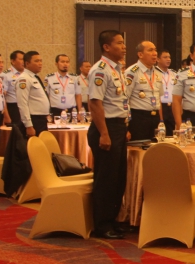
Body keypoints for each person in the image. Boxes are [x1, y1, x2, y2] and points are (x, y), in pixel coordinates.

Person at [87, 31, 130, 240]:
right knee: (106, 179)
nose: (124, 47)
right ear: (106, 47)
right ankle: (102, 224)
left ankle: (113, 220)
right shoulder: (100, 70)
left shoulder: (117, 69)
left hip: (118, 127)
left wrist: (124, 126)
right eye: (119, 43)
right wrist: (104, 133)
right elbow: (95, 103)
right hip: (106, 127)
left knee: (118, 178)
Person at [124, 41, 164, 141]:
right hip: (138, 118)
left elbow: (158, 99)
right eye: (150, 50)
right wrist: (125, 125)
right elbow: (124, 99)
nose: (155, 53)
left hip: (155, 118)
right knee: (138, 147)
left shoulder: (158, 72)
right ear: (140, 54)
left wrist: (161, 121)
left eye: (155, 50)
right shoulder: (132, 72)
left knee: (156, 148)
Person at [16, 51, 50, 137]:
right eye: (37, 61)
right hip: (33, 119)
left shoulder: (34, 77)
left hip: (41, 119)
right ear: (27, 63)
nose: (40, 63)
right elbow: (22, 103)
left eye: (41, 61)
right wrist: (29, 125)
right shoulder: (24, 79)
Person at [45, 54, 81, 119]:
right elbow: (46, 96)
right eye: (62, 62)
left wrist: (80, 112)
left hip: (71, 111)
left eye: (67, 62)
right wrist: (47, 112)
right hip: (55, 111)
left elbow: (78, 95)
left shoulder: (75, 77)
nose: (65, 64)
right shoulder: (49, 78)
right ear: (56, 64)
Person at [2, 51, 25, 129]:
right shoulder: (5, 75)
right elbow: (3, 96)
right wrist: (6, 115)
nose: (23, 61)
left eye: (24, 59)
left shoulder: (28, 74)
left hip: (26, 106)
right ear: (13, 61)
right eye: (21, 59)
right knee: (15, 131)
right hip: (13, 108)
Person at [156, 50, 174, 124]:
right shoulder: (154, 73)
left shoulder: (174, 73)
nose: (168, 59)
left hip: (172, 106)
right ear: (158, 59)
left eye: (169, 57)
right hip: (160, 106)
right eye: (165, 57)